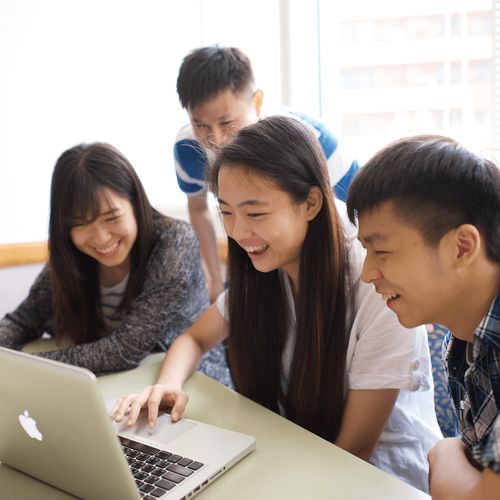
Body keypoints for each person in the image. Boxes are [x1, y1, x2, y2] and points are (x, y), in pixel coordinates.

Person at [113, 116, 441, 492]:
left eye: (255, 213)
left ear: (311, 203)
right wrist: (169, 385)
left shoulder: (376, 287)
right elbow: (194, 338)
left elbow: (355, 449)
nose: (238, 232)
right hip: (300, 453)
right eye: (226, 213)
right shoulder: (268, 268)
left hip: (377, 477)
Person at [345, 135, 500, 499]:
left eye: (381, 251)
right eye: (366, 251)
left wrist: (443, 453)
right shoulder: (464, 339)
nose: (367, 274)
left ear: (462, 247)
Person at [0, 142, 230, 383]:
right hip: (119, 389)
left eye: (112, 217)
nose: (101, 238)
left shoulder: (175, 243)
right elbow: (21, 321)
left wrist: (26, 368)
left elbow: (123, 351)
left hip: (192, 386)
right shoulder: (71, 256)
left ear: (134, 202)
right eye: (81, 223)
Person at [174, 45, 359, 301]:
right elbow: (198, 208)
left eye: (227, 123)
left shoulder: (311, 139)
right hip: (263, 259)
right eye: (200, 124)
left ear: (257, 102)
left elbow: (362, 207)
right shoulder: (187, 148)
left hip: (330, 256)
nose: (215, 139)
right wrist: (214, 279)